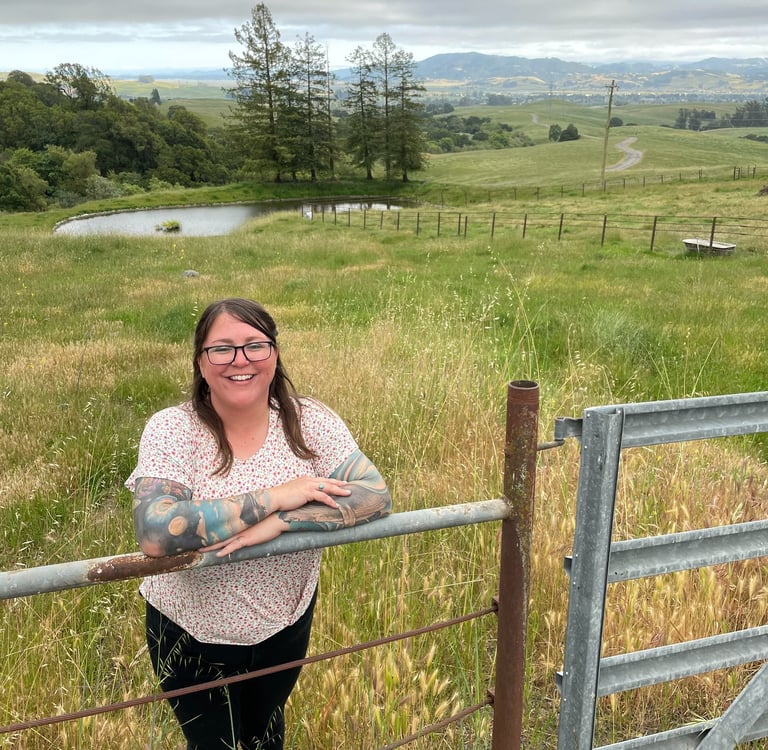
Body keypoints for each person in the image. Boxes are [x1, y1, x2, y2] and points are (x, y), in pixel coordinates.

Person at [126, 297, 392, 750]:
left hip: (285, 623)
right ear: (201, 362)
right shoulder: (173, 429)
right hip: (191, 633)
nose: (240, 361)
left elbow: (373, 493)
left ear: (274, 354)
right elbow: (156, 531)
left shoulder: (307, 420)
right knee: (215, 746)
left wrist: (282, 522)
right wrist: (274, 497)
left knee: (267, 734)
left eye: (255, 345)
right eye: (222, 349)